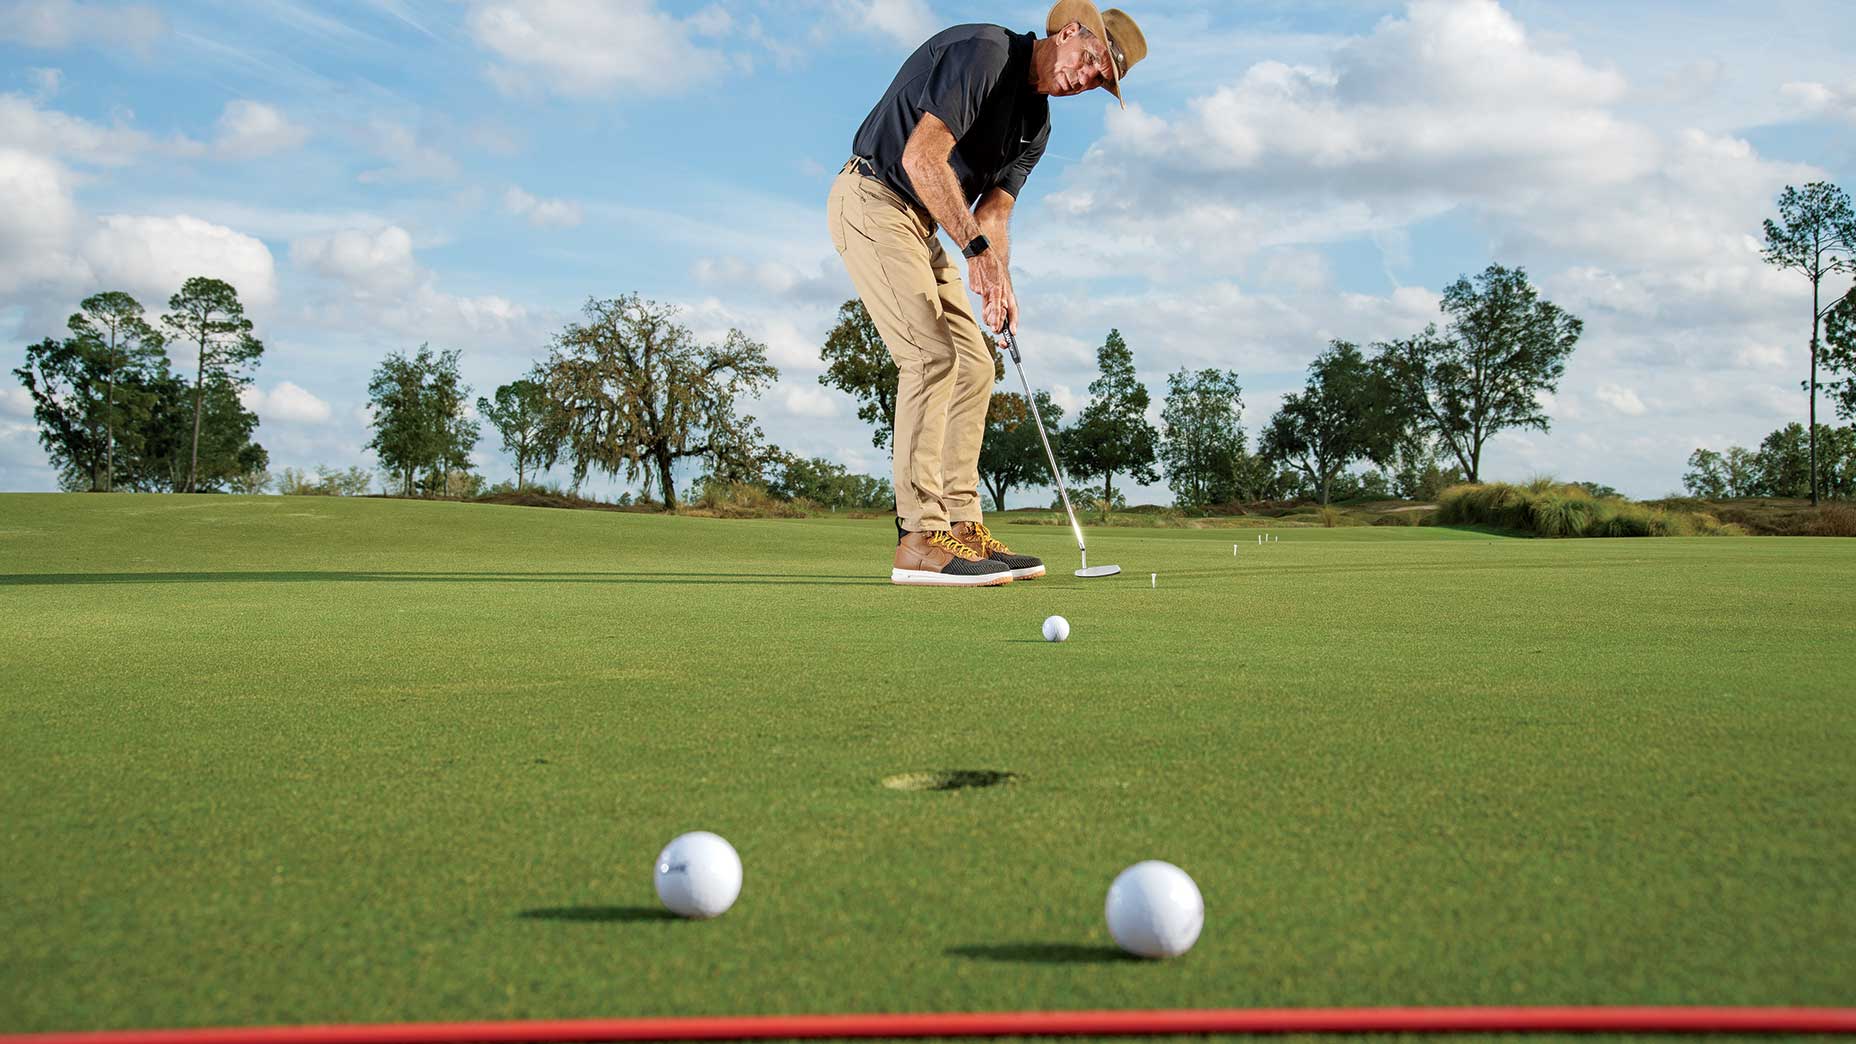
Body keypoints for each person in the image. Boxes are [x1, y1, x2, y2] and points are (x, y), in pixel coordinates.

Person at [827, 1, 1147, 587]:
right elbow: (921, 158)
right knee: (930, 356)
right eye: (1092, 61)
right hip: (873, 198)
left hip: (926, 224)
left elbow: (993, 213)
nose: (1087, 79)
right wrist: (975, 256)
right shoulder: (986, 52)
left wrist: (1001, 281)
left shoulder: (1037, 125)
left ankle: (961, 526)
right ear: (1069, 32)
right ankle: (919, 539)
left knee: (975, 365)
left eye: (1102, 81)